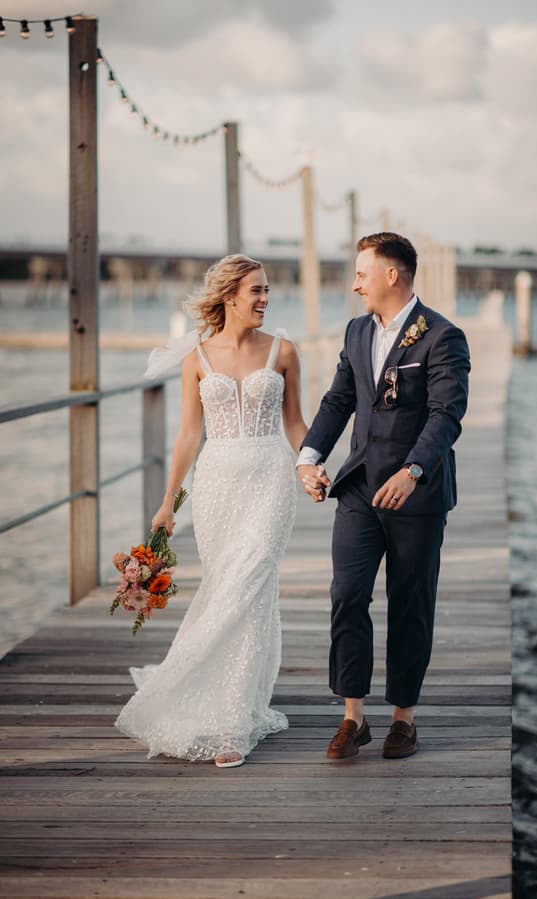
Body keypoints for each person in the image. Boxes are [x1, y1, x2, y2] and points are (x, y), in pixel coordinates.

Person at [115, 254, 309, 768]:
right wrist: (166, 503)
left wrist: (312, 465)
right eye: (256, 292)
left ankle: (231, 722)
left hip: (270, 476)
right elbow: (187, 435)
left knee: (251, 579)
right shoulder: (197, 358)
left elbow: (296, 425)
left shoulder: (284, 351)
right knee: (227, 587)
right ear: (229, 296)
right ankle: (213, 690)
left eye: (267, 290)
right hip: (218, 483)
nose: (265, 300)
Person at [297, 232, 470, 761]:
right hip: (359, 490)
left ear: (391, 276)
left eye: (361, 274)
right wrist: (308, 457)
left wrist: (414, 469)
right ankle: (354, 717)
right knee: (347, 595)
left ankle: (403, 718)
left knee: (411, 604)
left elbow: (446, 415)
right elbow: (339, 399)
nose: (354, 285)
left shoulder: (443, 337)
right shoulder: (355, 332)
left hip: (416, 495)